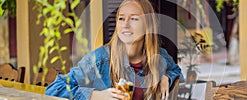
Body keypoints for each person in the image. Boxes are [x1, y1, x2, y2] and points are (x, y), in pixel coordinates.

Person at [45, 0, 183, 100]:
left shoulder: (160, 56)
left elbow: (176, 71)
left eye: (134, 19)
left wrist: (167, 77)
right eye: (121, 18)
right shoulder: (99, 59)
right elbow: (55, 89)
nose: (125, 25)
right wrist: (95, 95)